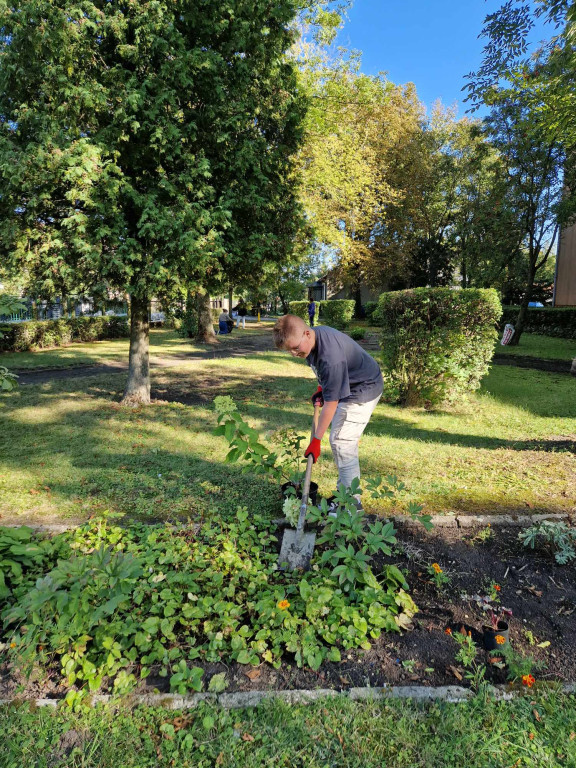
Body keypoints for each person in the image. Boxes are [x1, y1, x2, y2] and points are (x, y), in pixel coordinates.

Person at [273, 314, 383, 510]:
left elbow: (331, 404)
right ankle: (343, 495)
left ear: (307, 334)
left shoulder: (330, 357)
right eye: (289, 350)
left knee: (342, 442)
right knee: (341, 440)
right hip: (352, 382)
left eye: (295, 348)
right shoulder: (311, 341)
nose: (294, 353)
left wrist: (316, 440)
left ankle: (351, 504)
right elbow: (322, 373)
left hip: (363, 387)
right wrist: (322, 389)